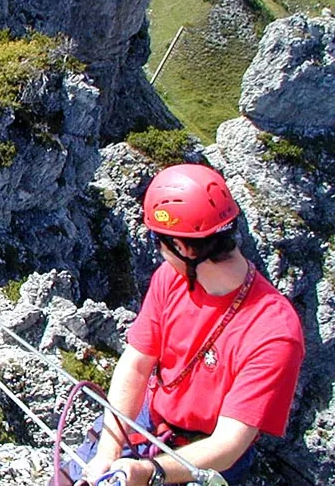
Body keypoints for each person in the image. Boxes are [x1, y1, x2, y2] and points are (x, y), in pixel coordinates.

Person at [64, 164, 304, 486]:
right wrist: (108, 452)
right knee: (74, 477)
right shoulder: (170, 279)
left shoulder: (275, 332)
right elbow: (136, 364)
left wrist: (150, 472)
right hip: (150, 417)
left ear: (182, 247)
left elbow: (229, 443)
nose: (160, 253)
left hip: (207, 454)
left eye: (158, 241)